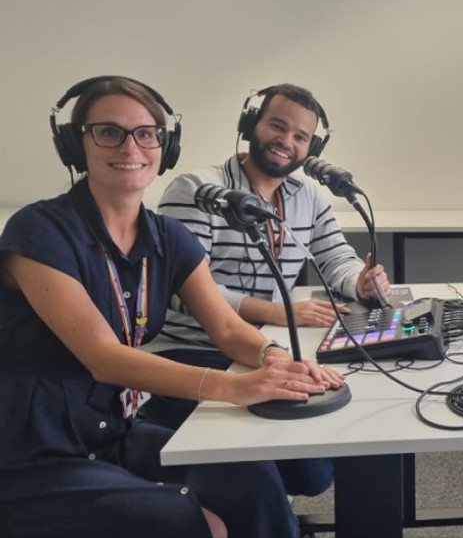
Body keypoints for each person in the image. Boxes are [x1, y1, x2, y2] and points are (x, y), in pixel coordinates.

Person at [0, 75, 342, 538]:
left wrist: (276, 358)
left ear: (166, 146)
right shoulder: (39, 231)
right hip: (35, 448)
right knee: (190, 522)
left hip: (114, 431)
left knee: (252, 481)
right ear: (75, 144)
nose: (131, 147)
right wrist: (232, 387)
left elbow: (226, 327)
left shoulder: (167, 236)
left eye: (146, 134)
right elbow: (102, 357)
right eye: (109, 132)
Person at [141, 83, 389, 496]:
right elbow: (179, 290)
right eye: (277, 126)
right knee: (287, 468)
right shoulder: (197, 191)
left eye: (300, 136)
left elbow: (335, 258)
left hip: (264, 346)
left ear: (312, 147)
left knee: (322, 460)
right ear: (251, 124)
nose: (286, 142)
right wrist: (274, 311)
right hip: (194, 351)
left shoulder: (308, 195)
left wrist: (359, 281)